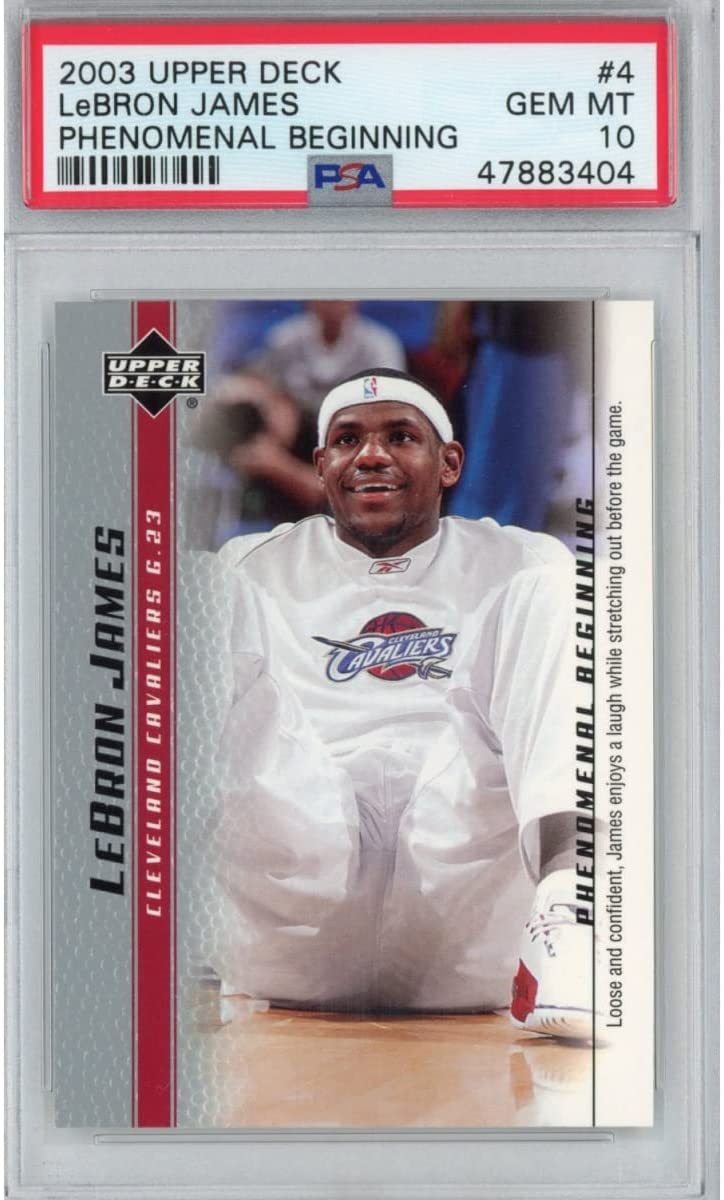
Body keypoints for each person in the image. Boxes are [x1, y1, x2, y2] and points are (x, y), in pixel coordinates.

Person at [212, 367, 595, 1037]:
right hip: (296, 890)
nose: (371, 455)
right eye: (347, 439)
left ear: (449, 464)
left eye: (400, 436)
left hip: (467, 903)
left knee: (559, 585)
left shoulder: (518, 563)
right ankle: (143, 937)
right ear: (321, 466)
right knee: (193, 585)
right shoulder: (253, 567)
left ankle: (571, 920)